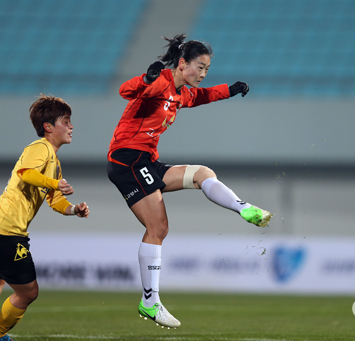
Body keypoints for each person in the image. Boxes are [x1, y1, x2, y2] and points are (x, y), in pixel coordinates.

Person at [107, 33, 273, 329]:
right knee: (158, 228)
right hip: (127, 159)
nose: (203, 73)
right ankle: (149, 301)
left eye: (207, 68)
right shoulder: (160, 83)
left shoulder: (182, 93)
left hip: (147, 161)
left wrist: (231, 89)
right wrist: (145, 79)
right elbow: (126, 90)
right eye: (200, 66)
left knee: (201, 174)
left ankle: (242, 207)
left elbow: (205, 95)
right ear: (182, 63)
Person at [0, 95, 90, 341]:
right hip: (7, 230)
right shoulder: (40, 148)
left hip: (5, 227)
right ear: (48, 127)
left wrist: (74, 209)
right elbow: (25, 173)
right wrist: (54, 183)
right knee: (28, 292)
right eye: (66, 121)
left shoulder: (54, 162)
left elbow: (54, 200)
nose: (71, 126)